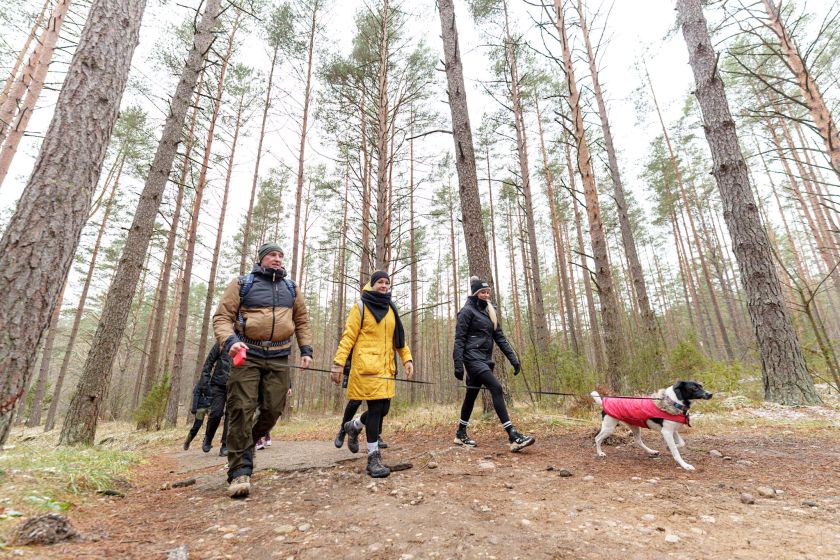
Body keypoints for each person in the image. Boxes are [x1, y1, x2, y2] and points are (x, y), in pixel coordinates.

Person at [213, 242, 313, 498]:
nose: (277, 259)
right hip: (247, 354)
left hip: (279, 356)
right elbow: (222, 317)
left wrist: (306, 350)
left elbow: (301, 321)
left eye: (280, 255)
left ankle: (245, 445)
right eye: (272, 255)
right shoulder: (242, 284)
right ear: (261, 259)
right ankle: (239, 471)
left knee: (273, 409)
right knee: (241, 408)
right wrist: (231, 342)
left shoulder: (291, 288)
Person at [330, 271, 413, 478]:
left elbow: (398, 339)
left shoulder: (391, 309)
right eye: (380, 282)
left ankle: (354, 425)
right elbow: (348, 337)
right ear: (372, 284)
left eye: (387, 283)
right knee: (375, 410)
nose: (384, 286)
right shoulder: (360, 307)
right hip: (366, 368)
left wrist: (407, 359)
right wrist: (338, 363)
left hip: (386, 369)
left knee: (384, 409)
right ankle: (373, 459)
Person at [453, 276, 534, 452]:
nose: (486, 294)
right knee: (496, 388)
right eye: (482, 292)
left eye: (487, 292)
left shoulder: (490, 311)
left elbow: (500, 338)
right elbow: (459, 339)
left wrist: (513, 359)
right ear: (475, 293)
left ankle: (460, 433)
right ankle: (513, 435)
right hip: (472, 358)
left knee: (471, 395)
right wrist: (458, 364)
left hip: (485, 359)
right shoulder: (467, 311)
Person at [334, 363, 388, 450]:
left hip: (381, 371)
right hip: (358, 369)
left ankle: (372, 433)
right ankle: (343, 430)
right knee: (355, 402)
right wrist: (344, 367)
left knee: (379, 404)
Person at [199, 341, 231, 456]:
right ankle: (208, 437)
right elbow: (209, 363)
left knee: (231, 415)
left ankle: (226, 444)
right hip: (218, 384)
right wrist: (204, 382)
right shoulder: (222, 343)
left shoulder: (247, 343)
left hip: (236, 386)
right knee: (216, 413)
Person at [183, 372, 211, 450]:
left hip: (210, 406)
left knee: (212, 423)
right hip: (200, 407)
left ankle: (206, 441)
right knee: (197, 426)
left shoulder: (215, 382)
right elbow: (196, 395)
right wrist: (194, 408)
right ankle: (188, 440)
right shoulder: (200, 383)